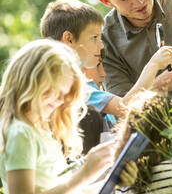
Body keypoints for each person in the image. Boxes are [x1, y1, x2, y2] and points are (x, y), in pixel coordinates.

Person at [0, 39, 137, 193]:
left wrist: (113, 181)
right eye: (55, 91)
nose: (60, 101)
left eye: (64, 95)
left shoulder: (40, 129)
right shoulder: (21, 133)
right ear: (32, 81)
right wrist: (84, 174)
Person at [40, 0, 172, 119]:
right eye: (94, 38)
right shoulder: (73, 90)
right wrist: (153, 65)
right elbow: (125, 106)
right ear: (69, 39)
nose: (100, 46)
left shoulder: (86, 88)